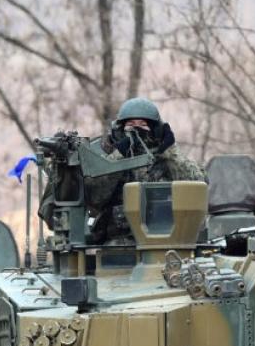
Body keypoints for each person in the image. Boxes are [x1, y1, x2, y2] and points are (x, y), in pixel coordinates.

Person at [39, 98, 206, 241]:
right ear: (120, 128)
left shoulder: (166, 157)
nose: (136, 129)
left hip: (164, 239)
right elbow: (95, 197)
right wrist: (118, 155)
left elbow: (199, 184)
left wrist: (170, 151)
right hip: (118, 242)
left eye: (143, 124)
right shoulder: (105, 154)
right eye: (130, 124)